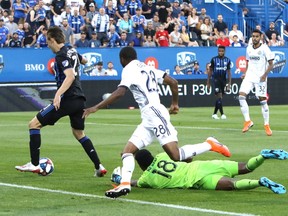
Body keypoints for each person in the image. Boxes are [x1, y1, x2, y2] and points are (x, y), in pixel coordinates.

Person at [82, 46, 231, 198]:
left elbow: (120, 92)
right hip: (148, 117)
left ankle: (210, 144)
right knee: (127, 152)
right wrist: (174, 103)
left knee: (175, 155)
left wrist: (96, 107)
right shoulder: (148, 67)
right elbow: (173, 82)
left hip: (154, 113)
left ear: (122, 59)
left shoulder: (128, 69)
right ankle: (124, 185)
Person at [15, 26, 107, 178]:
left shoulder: (60, 55)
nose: (47, 45)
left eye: (47, 41)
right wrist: (80, 62)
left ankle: (35, 164)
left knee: (33, 124)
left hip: (67, 99)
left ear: (52, 40)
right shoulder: (71, 50)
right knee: (79, 133)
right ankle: (99, 166)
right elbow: (84, 60)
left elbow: (69, 76)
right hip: (79, 100)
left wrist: (58, 94)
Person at [111, 148, 287, 194]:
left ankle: (261, 182)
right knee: (244, 167)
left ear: (141, 166)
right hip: (202, 166)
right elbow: (186, 157)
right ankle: (263, 156)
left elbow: (132, 183)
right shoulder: (162, 155)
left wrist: (120, 179)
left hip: (196, 181)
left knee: (232, 186)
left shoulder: (146, 179)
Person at [238, 29, 274, 136]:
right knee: (241, 96)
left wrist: (264, 75)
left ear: (261, 37)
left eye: (257, 36)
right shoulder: (249, 48)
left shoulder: (264, 49)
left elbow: (271, 64)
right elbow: (248, 62)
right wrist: (245, 73)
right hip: (249, 76)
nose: (254, 38)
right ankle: (248, 121)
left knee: (262, 100)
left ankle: (266, 125)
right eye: (253, 36)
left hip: (260, 78)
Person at [207, 45, 231, 120]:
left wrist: (229, 83)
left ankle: (214, 114)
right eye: (219, 51)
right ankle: (222, 114)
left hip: (223, 80)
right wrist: (208, 82)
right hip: (216, 79)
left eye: (222, 51)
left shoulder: (227, 60)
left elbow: (229, 72)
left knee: (220, 98)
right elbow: (210, 71)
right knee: (219, 95)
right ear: (218, 51)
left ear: (224, 51)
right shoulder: (214, 59)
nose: (220, 52)